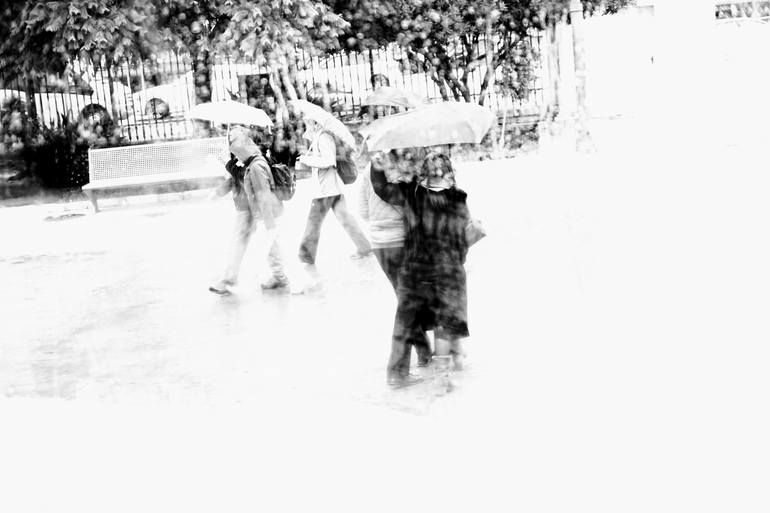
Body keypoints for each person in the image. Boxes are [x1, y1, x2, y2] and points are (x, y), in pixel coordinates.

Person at [371, 150, 472, 394]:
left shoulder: (412, 192)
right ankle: (443, 375)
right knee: (443, 321)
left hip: (414, 270)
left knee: (406, 319)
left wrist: (377, 166)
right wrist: (458, 259)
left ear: (424, 171)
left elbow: (382, 189)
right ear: (449, 172)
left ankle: (398, 372)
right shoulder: (457, 197)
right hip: (447, 269)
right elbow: (462, 236)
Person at [357, 145, 433, 388]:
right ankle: (397, 372)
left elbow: (363, 211)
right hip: (401, 242)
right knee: (408, 305)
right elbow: (418, 207)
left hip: (379, 245)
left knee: (406, 298)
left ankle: (424, 352)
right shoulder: (407, 171)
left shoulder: (371, 169)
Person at [209, 127, 289, 295]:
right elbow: (237, 178)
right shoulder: (245, 155)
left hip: (252, 206)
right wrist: (220, 190)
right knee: (266, 241)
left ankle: (229, 280)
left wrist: (228, 163)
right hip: (250, 205)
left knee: (249, 242)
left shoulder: (252, 158)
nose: (230, 140)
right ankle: (279, 276)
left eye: (233, 138)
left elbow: (252, 181)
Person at [294, 119, 372, 289]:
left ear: (314, 123)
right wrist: (309, 154)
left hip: (325, 190)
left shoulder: (323, 137)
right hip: (331, 188)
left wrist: (308, 160)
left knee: (313, 223)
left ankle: (305, 256)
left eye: (307, 122)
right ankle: (364, 247)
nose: (305, 125)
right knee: (345, 218)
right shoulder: (319, 136)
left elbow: (329, 161)